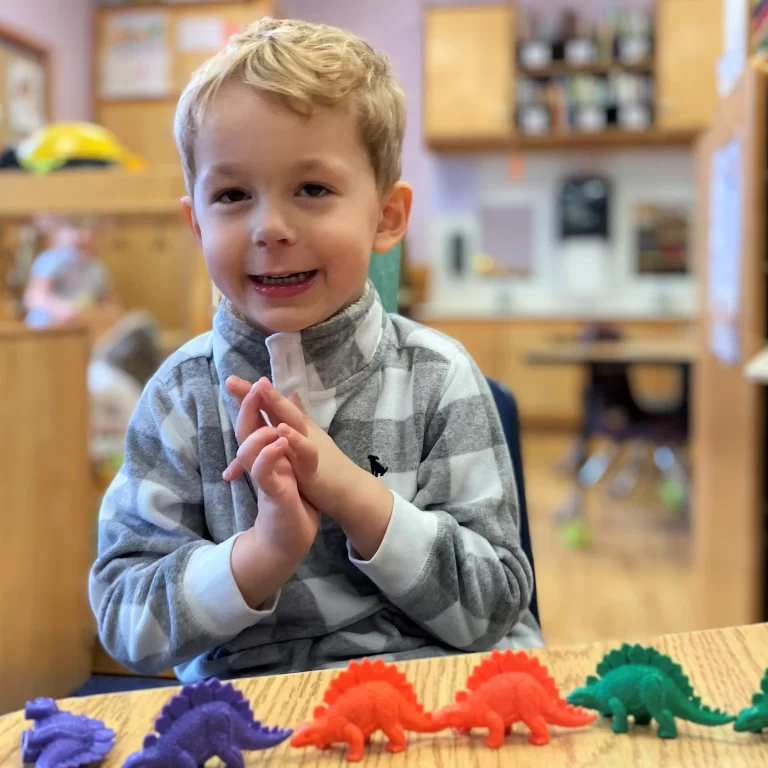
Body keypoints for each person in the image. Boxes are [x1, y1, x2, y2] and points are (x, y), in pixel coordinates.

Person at [89, 17, 542, 683]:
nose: (270, 227)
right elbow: (128, 623)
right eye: (233, 195)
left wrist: (354, 495)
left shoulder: (439, 378)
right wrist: (262, 553)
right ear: (196, 222)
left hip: (438, 700)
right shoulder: (180, 398)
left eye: (312, 189)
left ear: (387, 216)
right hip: (251, 715)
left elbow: (497, 608)